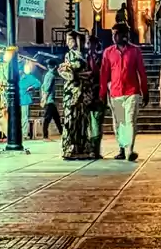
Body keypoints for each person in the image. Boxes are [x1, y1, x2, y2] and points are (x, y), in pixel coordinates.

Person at [100, 22, 148, 161]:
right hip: (115, 92)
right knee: (119, 122)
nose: (114, 37)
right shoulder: (108, 52)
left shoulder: (135, 51)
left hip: (132, 91)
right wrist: (103, 93)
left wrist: (145, 91)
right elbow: (104, 74)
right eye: (112, 34)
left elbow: (141, 72)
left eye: (116, 34)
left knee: (130, 121)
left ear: (124, 35)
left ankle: (130, 150)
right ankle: (121, 148)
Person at [59, 31, 96, 160]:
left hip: (82, 91)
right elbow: (70, 72)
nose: (68, 43)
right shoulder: (69, 55)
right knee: (71, 119)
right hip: (72, 91)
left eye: (71, 40)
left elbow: (90, 72)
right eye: (67, 40)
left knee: (82, 120)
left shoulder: (85, 55)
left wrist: (77, 74)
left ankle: (81, 147)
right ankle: (70, 147)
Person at [86, 38, 106, 158]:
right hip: (86, 92)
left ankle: (95, 149)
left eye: (91, 43)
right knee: (89, 122)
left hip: (97, 92)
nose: (89, 46)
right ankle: (89, 148)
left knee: (96, 122)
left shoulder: (101, 58)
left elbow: (100, 73)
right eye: (88, 43)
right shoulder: (84, 57)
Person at [39, 60, 62, 139]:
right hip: (49, 100)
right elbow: (47, 88)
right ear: (55, 66)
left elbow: (43, 87)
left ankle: (61, 132)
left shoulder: (47, 75)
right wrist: (44, 99)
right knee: (47, 118)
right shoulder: (51, 76)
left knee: (56, 118)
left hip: (49, 100)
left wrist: (43, 97)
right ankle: (45, 136)